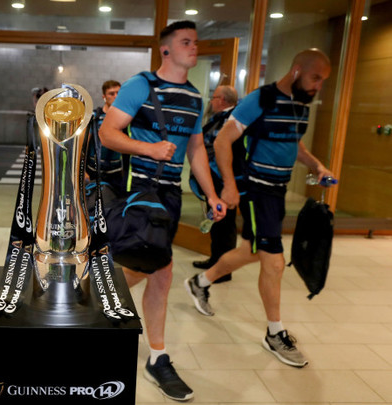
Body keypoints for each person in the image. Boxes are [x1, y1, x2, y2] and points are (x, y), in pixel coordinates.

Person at [99, 21, 226, 402]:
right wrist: (149, 149)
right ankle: (150, 349)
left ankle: (100, 303)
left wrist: (211, 194)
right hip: (137, 186)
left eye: (196, 42)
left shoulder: (194, 96)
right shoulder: (140, 84)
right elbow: (109, 133)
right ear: (166, 50)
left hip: (169, 193)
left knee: (157, 270)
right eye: (186, 42)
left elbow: (196, 150)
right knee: (160, 268)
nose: (194, 48)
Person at [185, 48, 333, 368]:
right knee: (274, 262)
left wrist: (318, 166)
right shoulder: (260, 99)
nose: (318, 86)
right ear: (296, 71)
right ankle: (274, 333)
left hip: (277, 191)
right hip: (256, 189)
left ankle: (200, 283)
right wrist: (229, 184)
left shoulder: (300, 105)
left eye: (323, 81)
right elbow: (224, 140)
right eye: (315, 78)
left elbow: (296, 145)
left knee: (251, 251)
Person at [190, 85, 239, 284]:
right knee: (216, 223)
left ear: (224, 100)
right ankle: (215, 261)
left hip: (225, 178)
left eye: (214, 97)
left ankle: (223, 270)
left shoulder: (234, 120)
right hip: (213, 177)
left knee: (225, 225)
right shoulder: (216, 118)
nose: (211, 100)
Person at [86, 80, 125, 192]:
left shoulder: (126, 118)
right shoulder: (94, 117)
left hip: (117, 174)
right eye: (111, 94)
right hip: (94, 172)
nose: (115, 96)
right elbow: (83, 145)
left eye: (118, 93)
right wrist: (82, 171)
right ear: (104, 96)